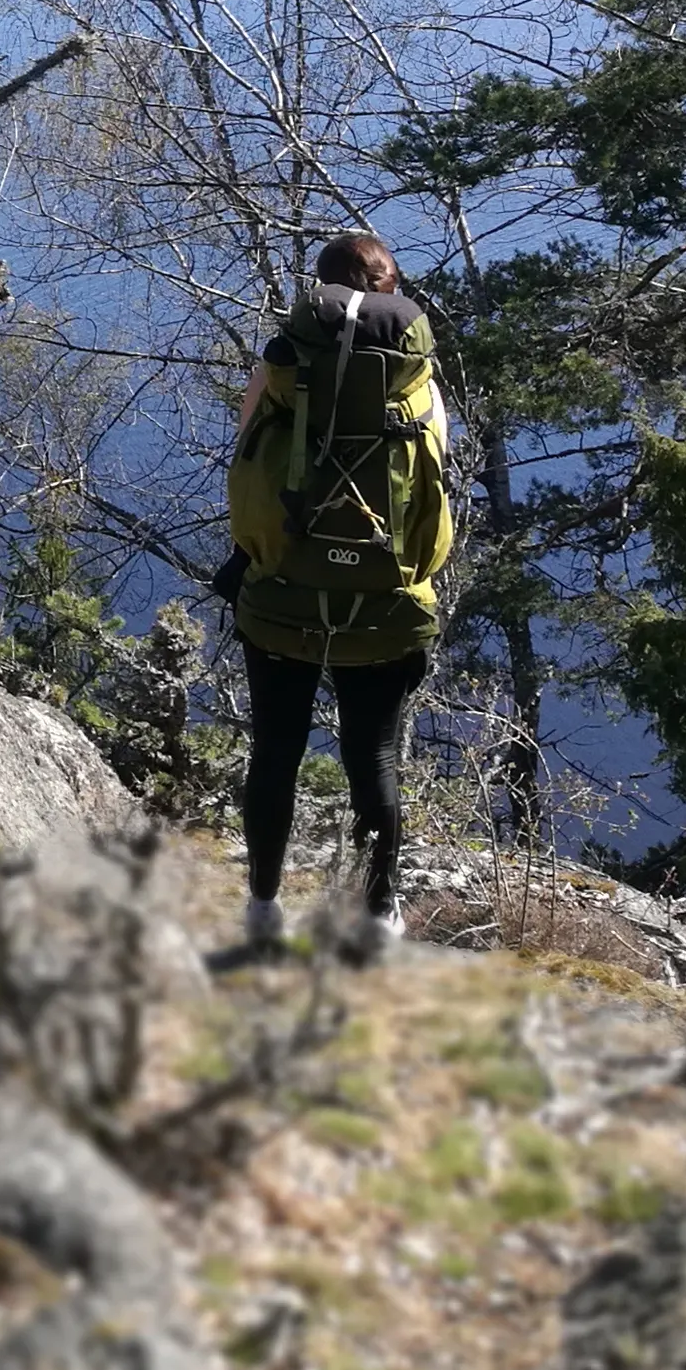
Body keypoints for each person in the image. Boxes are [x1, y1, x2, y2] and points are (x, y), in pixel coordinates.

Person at [222, 228, 454, 956]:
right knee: (374, 758)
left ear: (317, 294)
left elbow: (243, 458)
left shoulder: (282, 363)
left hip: (282, 594)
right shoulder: (418, 382)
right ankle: (377, 915)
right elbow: (435, 479)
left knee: (276, 752)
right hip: (383, 605)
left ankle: (263, 910)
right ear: (393, 294)